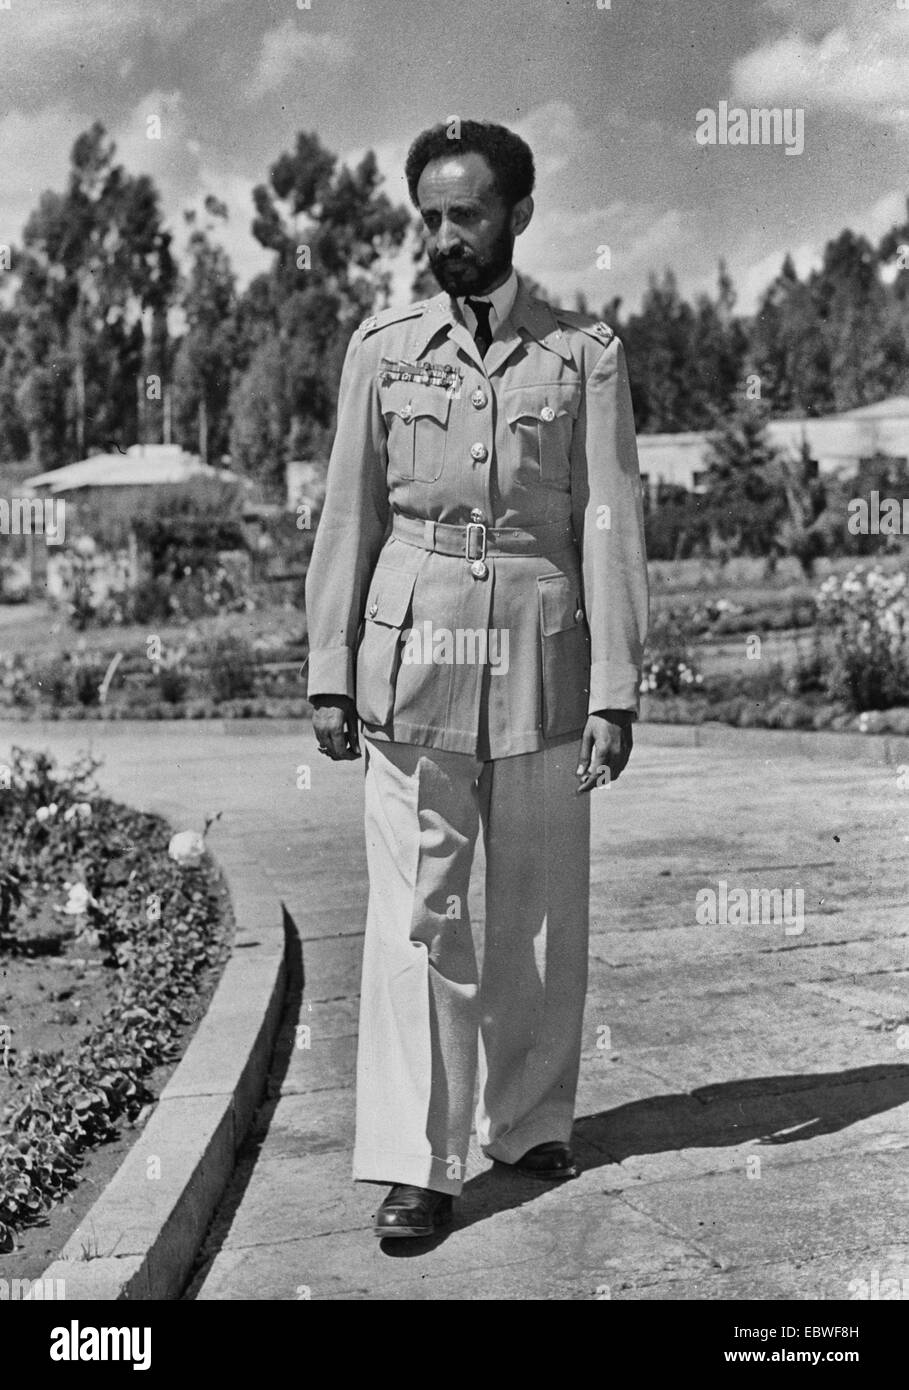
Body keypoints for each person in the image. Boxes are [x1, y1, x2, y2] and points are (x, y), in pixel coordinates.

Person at [305, 119, 648, 1239]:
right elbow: (349, 512)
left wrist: (616, 685)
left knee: (541, 906)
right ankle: (419, 1158)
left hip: (544, 656)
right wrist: (328, 667)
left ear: (519, 216)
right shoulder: (382, 349)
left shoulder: (581, 355)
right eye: (431, 218)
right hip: (412, 660)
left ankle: (532, 1116)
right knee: (420, 916)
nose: (445, 236)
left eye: (467, 215)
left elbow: (608, 522)